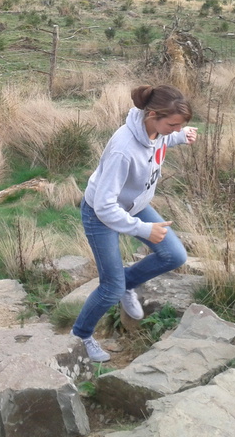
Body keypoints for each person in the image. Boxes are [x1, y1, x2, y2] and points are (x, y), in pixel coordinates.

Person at [71, 84, 197, 362]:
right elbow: (104, 206)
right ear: (152, 115)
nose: (175, 129)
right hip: (100, 215)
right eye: (173, 125)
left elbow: (158, 142)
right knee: (110, 289)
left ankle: (126, 283)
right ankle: (80, 336)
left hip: (135, 206)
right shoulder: (123, 149)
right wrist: (143, 229)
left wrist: (181, 135)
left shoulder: (158, 131)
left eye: (179, 125)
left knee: (174, 255)